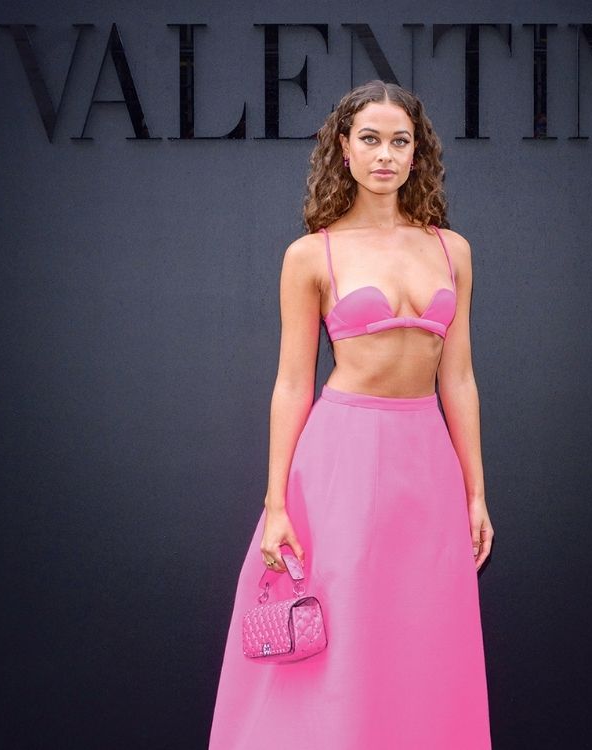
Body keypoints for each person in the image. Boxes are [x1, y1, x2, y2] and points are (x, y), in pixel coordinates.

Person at [208, 80, 494, 749]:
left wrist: (475, 491)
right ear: (343, 149)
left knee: (422, 632)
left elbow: (459, 377)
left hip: (424, 457)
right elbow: (290, 385)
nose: (385, 154)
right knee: (344, 633)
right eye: (370, 139)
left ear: (418, 154)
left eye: (401, 141)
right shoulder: (311, 254)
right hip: (340, 457)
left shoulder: (452, 249)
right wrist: (277, 501)